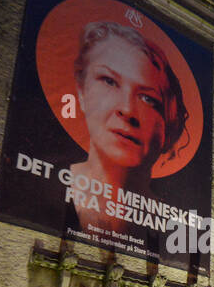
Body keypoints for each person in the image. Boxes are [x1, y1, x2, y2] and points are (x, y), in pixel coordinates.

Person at [66, 21, 189, 242]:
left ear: (169, 126)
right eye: (110, 81)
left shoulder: (178, 231)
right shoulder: (33, 191)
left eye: (148, 99)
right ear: (82, 90)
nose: (127, 109)